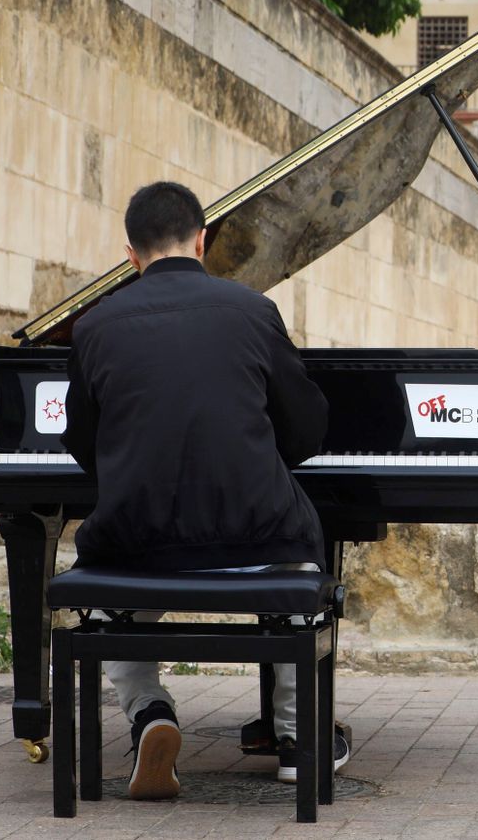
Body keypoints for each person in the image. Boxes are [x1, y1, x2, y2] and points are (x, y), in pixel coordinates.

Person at [62, 182, 348, 799]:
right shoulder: (253, 311)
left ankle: (150, 714)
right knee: (300, 565)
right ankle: (297, 741)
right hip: (255, 532)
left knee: (107, 607)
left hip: (136, 540)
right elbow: (306, 430)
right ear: (203, 240)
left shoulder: (94, 327)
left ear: (131, 255)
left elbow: (84, 446)